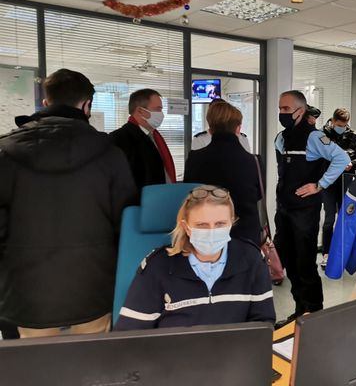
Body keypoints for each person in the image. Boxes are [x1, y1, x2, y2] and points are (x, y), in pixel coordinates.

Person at [0, 68, 137, 337]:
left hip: (26, 291)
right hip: (93, 286)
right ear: (87, 105)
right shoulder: (110, 154)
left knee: (34, 370)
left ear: (46, 103)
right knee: (93, 368)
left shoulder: (6, 153)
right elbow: (126, 223)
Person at [115, 185, 275, 330]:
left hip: (234, 359)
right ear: (187, 227)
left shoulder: (252, 260)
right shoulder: (156, 268)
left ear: (231, 223)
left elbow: (263, 325)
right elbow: (129, 335)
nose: (212, 231)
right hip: (173, 360)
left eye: (220, 224)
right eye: (202, 225)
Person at [274, 90, 350, 326]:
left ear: (300, 110)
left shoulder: (315, 138)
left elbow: (341, 158)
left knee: (305, 263)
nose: (282, 113)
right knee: (289, 260)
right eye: (280, 108)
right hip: (284, 209)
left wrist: (320, 185)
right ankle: (300, 310)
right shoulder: (281, 138)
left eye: (286, 109)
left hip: (305, 211)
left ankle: (314, 315)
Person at [184, 100, 261, 245]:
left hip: (207, 233)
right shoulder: (253, 161)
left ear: (211, 128)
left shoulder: (195, 158)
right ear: (238, 128)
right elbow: (257, 195)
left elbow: (190, 193)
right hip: (245, 234)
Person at [320, 108, 356, 267]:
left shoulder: (352, 136)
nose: (341, 128)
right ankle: (326, 253)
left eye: (344, 125)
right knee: (329, 219)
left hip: (346, 182)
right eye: (339, 125)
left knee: (346, 219)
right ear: (332, 121)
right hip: (329, 183)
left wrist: (352, 163)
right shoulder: (323, 136)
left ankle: (343, 253)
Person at [110, 89, 176, 193]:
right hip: (141, 204)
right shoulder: (120, 138)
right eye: (157, 109)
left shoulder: (155, 136)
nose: (161, 114)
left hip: (162, 199)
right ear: (140, 111)